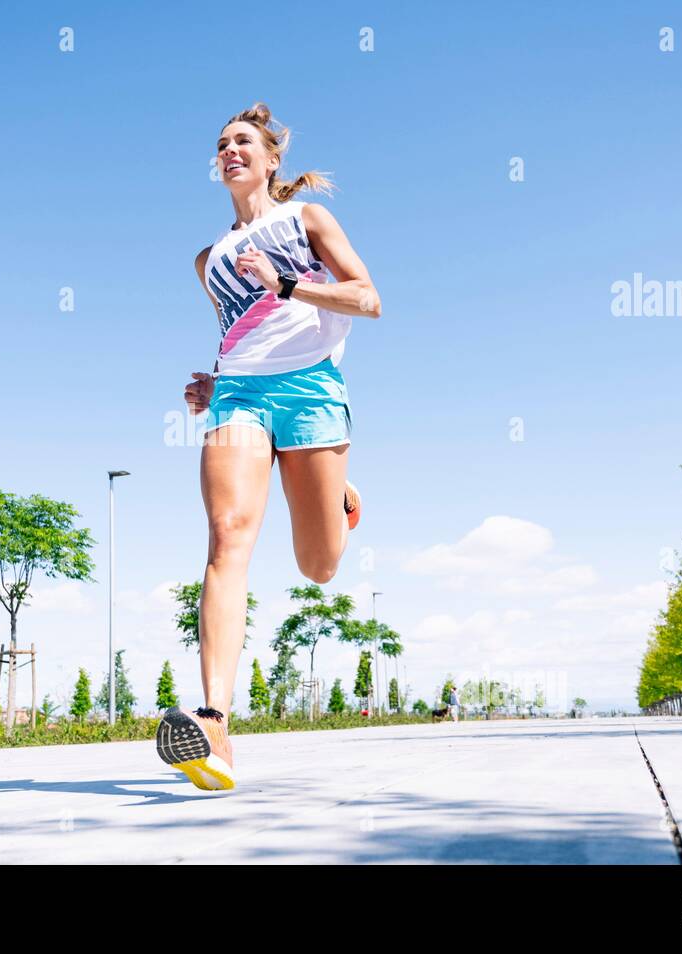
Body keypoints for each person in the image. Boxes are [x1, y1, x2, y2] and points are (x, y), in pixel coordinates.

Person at [154, 102, 382, 792]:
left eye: (243, 141)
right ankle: (215, 723)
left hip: (312, 390)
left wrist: (287, 281)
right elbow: (242, 329)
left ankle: (337, 496)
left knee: (317, 566)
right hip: (240, 400)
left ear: (272, 158)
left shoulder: (306, 220)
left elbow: (368, 299)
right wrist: (213, 380)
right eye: (221, 143)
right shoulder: (208, 259)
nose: (230, 150)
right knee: (227, 537)